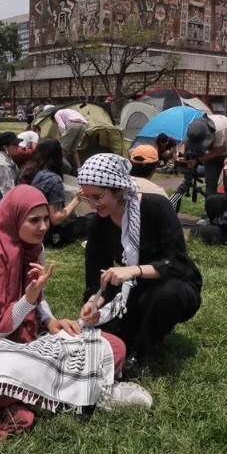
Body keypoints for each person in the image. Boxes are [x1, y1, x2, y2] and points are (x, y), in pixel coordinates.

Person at [0, 185, 148, 454]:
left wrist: (50, 319)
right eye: (34, 220)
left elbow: (38, 298)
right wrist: (29, 299)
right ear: (13, 219)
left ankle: (73, 388)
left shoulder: (36, 249)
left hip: (30, 336)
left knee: (111, 344)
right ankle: (86, 389)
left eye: (46, 218)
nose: (44, 226)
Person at [78, 153, 202, 372]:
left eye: (97, 197)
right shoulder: (99, 223)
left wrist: (134, 270)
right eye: (86, 198)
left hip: (173, 282)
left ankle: (143, 354)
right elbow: (97, 274)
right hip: (132, 289)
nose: (92, 205)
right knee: (101, 329)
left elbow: (177, 263)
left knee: (166, 296)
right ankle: (131, 336)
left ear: (117, 189)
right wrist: (94, 302)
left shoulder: (156, 207)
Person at [19, 138, 85, 246]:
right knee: (88, 221)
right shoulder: (53, 180)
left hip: (28, 226)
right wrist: (77, 199)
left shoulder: (30, 172)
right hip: (45, 233)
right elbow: (56, 218)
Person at [178, 113, 227, 196]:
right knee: (210, 182)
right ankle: (210, 205)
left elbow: (217, 151)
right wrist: (181, 156)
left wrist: (197, 160)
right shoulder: (195, 128)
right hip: (215, 151)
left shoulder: (220, 129)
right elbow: (186, 143)